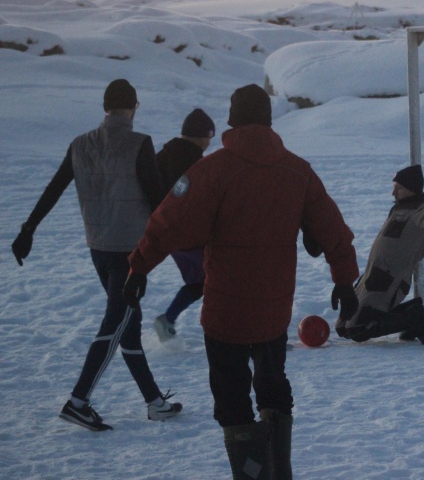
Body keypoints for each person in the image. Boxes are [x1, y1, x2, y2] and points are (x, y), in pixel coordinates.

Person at [123, 84, 359, 479]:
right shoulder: (297, 170)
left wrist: (138, 266)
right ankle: (278, 471)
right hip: (273, 310)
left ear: (231, 121)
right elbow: (333, 228)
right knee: (273, 388)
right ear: (268, 119)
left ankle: (252, 473)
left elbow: (168, 221)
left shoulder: (210, 170)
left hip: (225, 314)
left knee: (233, 401)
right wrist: (345, 280)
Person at [10, 79, 183, 431]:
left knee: (128, 327)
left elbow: (55, 188)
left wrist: (28, 230)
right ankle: (78, 401)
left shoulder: (80, 144)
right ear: (134, 107)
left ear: (105, 107)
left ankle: (154, 403)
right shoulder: (140, 144)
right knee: (116, 323)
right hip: (130, 254)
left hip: (98, 250)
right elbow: (158, 200)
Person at [334, 157, 424, 346]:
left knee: (357, 329)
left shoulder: (420, 211)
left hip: (389, 281)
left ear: (411, 189)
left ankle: (415, 320)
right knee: (343, 326)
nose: (393, 192)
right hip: (371, 277)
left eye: (399, 188)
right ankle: (411, 313)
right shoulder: (399, 210)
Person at [152, 108, 216, 342]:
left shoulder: (161, 156)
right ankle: (252, 333)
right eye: (209, 138)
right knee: (223, 278)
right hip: (192, 236)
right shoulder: (195, 163)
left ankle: (167, 319)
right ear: (201, 136)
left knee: (200, 281)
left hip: (167, 234)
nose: (209, 143)